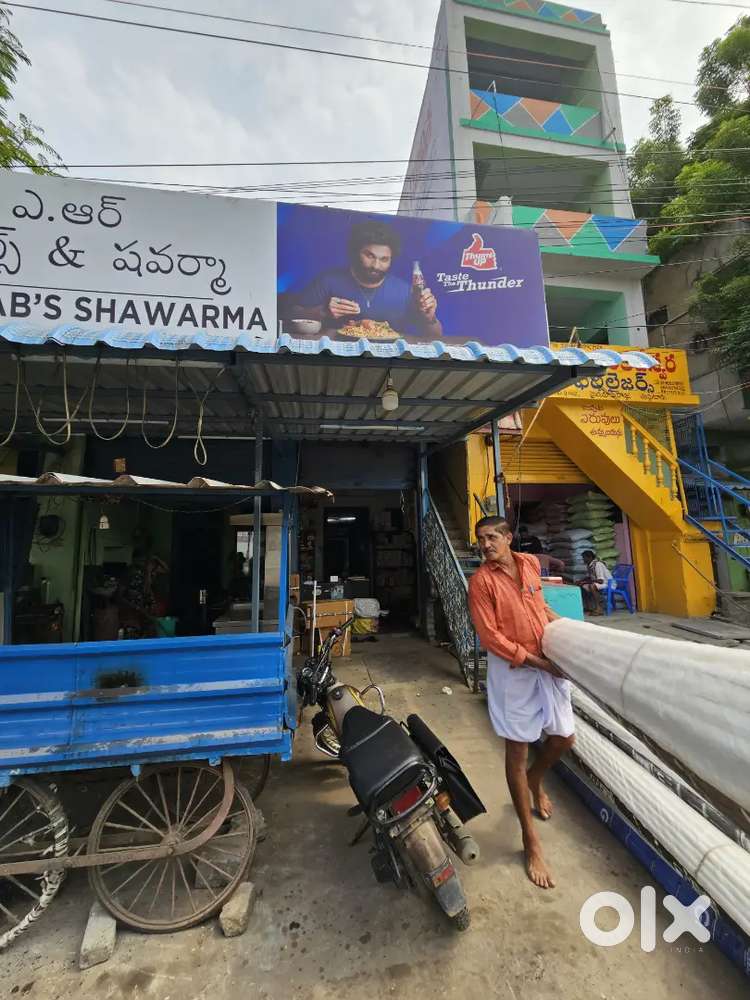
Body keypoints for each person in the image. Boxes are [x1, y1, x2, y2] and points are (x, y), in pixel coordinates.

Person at [467, 516, 575, 890]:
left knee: (564, 738)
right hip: (514, 671)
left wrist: (566, 631)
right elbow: (490, 637)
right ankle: (531, 842)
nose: (485, 544)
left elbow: (539, 607)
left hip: (545, 657)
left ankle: (536, 779)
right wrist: (539, 663)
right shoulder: (480, 582)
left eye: (491, 537)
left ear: (509, 537)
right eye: (480, 539)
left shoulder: (528, 564)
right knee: (517, 751)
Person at [286, 219, 442, 339]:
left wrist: (430, 318)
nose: (376, 265)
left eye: (384, 259)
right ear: (355, 252)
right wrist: (324, 311)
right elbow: (293, 314)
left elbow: (435, 336)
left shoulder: (404, 290)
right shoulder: (329, 280)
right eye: (370, 256)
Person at [580, 549, 613, 614]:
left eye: (584, 558)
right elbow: (591, 577)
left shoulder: (598, 565)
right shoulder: (590, 565)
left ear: (590, 557)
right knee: (583, 586)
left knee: (592, 586)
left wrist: (586, 582)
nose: (583, 560)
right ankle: (589, 607)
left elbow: (600, 581)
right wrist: (581, 581)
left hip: (608, 583)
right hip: (601, 583)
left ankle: (599, 608)